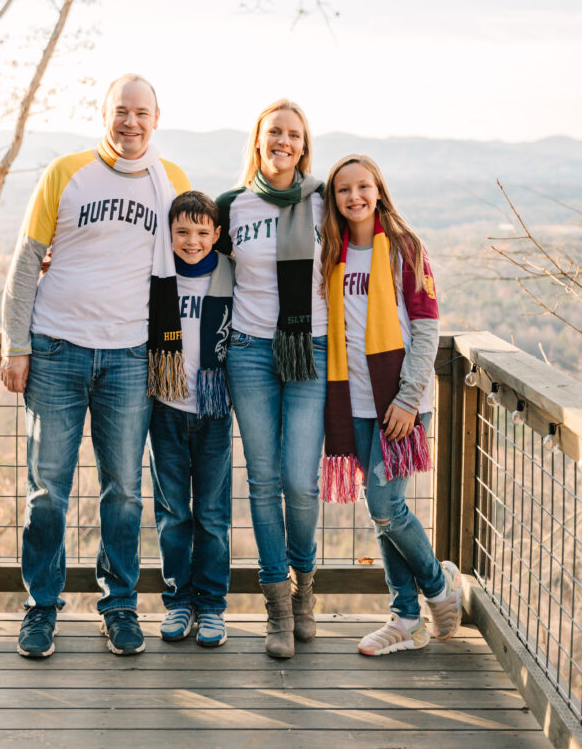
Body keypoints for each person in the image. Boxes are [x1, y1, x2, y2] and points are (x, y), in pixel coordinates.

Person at [0, 74, 189, 659]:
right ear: (104, 115)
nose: (129, 122)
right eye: (120, 112)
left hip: (132, 355)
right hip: (56, 349)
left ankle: (120, 606)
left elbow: (200, 251)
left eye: (140, 112)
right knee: (47, 493)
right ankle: (40, 608)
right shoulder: (66, 172)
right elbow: (28, 261)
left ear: (156, 118)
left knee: (125, 492)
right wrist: (15, 344)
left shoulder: (173, 181)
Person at [320, 153, 462, 655]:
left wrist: (406, 399)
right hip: (354, 401)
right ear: (332, 199)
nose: (354, 196)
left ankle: (439, 587)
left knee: (385, 505)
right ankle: (405, 617)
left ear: (378, 190)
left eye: (363, 187)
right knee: (380, 509)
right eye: (343, 189)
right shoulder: (331, 252)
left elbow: (427, 330)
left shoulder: (406, 248)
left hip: (400, 402)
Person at [216, 99, 327, 659]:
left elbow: (378, 248)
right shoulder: (231, 206)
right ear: (258, 140)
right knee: (262, 482)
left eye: (293, 134)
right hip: (249, 353)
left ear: (303, 146)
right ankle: (278, 608)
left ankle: (305, 586)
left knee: (300, 482)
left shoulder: (325, 203)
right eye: (274, 131)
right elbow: (181, 256)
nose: (283, 140)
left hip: (312, 352)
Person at [148, 191, 235, 648]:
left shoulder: (230, 275)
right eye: (182, 232)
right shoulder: (156, 277)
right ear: (169, 233)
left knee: (213, 515)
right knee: (173, 513)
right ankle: (178, 601)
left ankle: (213, 605)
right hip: (167, 408)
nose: (192, 241)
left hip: (214, 410)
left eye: (203, 233)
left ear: (217, 235)